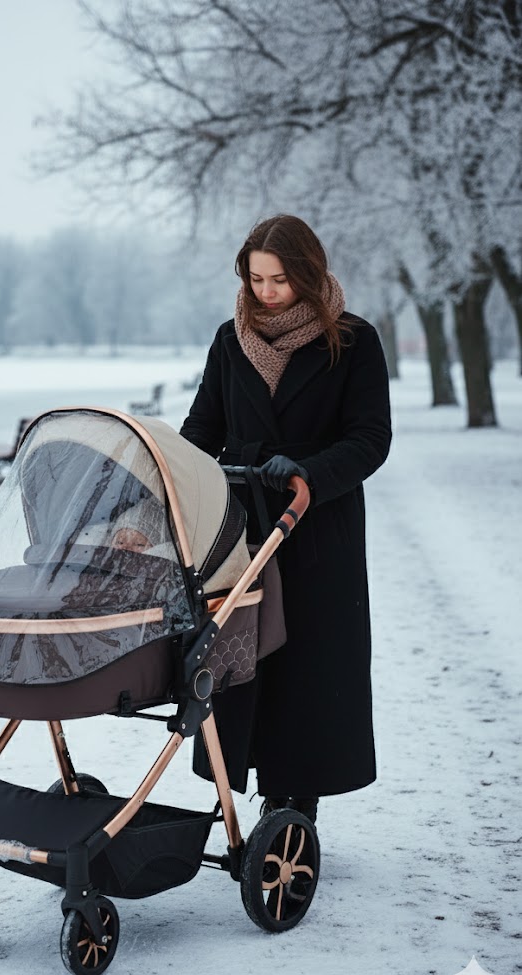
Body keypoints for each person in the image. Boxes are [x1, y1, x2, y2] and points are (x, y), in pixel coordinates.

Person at [180, 214, 392, 826]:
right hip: (244, 521)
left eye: (278, 280)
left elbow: (370, 438)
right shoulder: (230, 339)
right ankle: (238, 774)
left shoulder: (353, 341)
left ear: (307, 272)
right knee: (243, 653)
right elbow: (203, 429)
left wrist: (309, 472)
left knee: (310, 661)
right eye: (255, 280)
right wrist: (176, 476)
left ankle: (298, 798)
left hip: (315, 522)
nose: (266, 293)